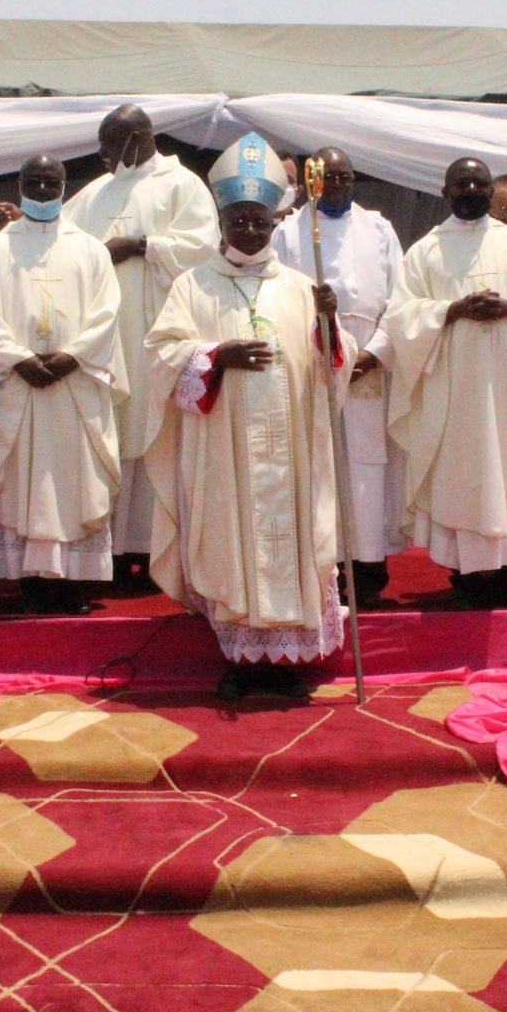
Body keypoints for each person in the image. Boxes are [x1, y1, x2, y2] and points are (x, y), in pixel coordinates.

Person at [142, 133, 349, 700]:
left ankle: (288, 663)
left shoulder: (304, 288)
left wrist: (326, 325)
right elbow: (161, 353)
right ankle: (240, 659)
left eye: (259, 222)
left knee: (295, 539)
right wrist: (215, 357)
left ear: (274, 224)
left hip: (294, 452)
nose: (250, 231)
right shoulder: (194, 284)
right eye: (239, 221)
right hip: (224, 449)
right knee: (231, 545)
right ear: (223, 222)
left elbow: (333, 363)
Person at [384, 157, 507, 604]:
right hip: (456, 393)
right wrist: (452, 310)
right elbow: (401, 317)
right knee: (465, 475)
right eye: (461, 183)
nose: (471, 189)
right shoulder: (425, 251)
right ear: (446, 194)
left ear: (491, 191)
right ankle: (468, 576)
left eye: (479, 183)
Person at [62, 103, 218, 583]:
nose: (104, 159)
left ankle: (154, 549)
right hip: (107, 337)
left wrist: (142, 245)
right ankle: (109, 549)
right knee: (112, 433)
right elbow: (62, 238)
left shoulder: (183, 185)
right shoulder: (95, 193)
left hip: (156, 334)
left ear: (136, 137)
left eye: (110, 149)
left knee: (155, 433)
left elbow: (206, 248)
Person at [0, 155, 125, 614]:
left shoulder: (90, 249)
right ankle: (27, 579)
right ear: (19, 185)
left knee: (72, 479)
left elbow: (107, 311)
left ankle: (72, 581)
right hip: (18, 384)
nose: (41, 190)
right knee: (22, 479)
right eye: (33, 182)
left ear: (63, 186)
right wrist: (18, 358)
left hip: (74, 383)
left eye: (50, 182)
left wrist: (71, 357)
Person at [270, 146, 406, 605]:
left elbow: (400, 300)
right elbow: (277, 297)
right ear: (311, 181)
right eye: (328, 177)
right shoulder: (289, 232)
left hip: (366, 358)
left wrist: (373, 352)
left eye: (346, 176)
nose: (338, 184)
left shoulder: (379, 229)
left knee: (365, 466)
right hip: (313, 359)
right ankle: (321, 569)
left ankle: (367, 568)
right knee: (319, 463)